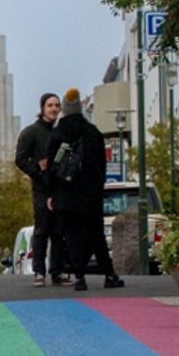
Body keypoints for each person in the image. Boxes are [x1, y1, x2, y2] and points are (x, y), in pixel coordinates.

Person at [48, 89, 121, 291]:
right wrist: (98, 188)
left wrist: (51, 194)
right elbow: (101, 166)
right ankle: (109, 275)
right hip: (90, 196)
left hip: (65, 195)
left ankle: (79, 277)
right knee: (96, 235)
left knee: (72, 237)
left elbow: (52, 168)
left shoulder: (57, 134)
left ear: (63, 108)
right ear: (80, 108)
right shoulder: (93, 133)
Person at [13, 93, 61, 283]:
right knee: (42, 230)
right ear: (42, 108)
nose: (54, 109)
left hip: (58, 188)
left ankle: (57, 272)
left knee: (59, 231)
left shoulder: (59, 132)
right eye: (50, 105)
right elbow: (20, 159)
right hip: (41, 187)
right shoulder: (31, 132)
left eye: (57, 105)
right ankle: (39, 272)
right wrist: (37, 169)